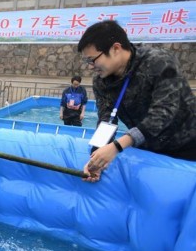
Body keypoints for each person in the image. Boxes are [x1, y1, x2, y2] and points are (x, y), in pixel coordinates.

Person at [77, 20, 196, 183]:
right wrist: (96, 159)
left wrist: (118, 146)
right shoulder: (101, 81)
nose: (90, 67)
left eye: (93, 60)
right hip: (150, 147)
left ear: (116, 48)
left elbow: (164, 112)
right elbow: (106, 118)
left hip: (188, 145)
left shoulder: (158, 62)